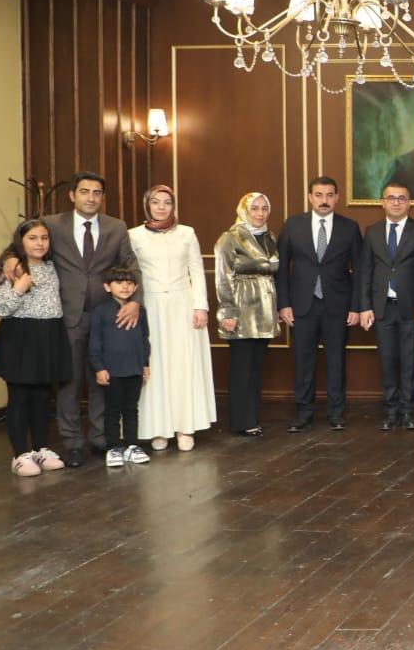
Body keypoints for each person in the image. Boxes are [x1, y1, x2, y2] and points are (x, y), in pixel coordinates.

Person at [42, 172, 141, 468]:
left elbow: (131, 265)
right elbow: (23, 246)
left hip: (107, 318)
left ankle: (100, 438)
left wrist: (135, 301)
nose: (91, 198)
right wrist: (8, 260)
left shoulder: (116, 227)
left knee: (102, 380)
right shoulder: (51, 225)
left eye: (97, 193)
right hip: (67, 315)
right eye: (84, 191)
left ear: (102, 197)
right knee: (69, 383)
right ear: (73, 195)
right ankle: (72, 442)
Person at [127, 184, 216, 452]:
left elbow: (196, 271)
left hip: (183, 306)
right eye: (156, 202)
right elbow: (132, 275)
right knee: (155, 366)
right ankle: (158, 428)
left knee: (183, 365)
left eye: (167, 202)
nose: (162, 207)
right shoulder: (133, 235)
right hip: (150, 305)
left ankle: (185, 426)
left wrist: (201, 307)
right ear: (148, 205)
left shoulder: (187, 233)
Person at [275, 176, 361, 432]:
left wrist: (356, 307)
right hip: (302, 305)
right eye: (319, 195)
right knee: (303, 361)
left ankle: (336, 413)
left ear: (337, 198)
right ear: (310, 197)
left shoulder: (350, 227)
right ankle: (304, 413)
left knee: (337, 361)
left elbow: (360, 270)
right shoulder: (292, 225)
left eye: (329, 195)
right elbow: (282, 268)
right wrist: (283, 304)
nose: (324, 200)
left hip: (338, 306)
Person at [0, 219, 72, 476]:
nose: (40, 243)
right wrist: (18, 289)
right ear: (20, 241)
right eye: (32, 238)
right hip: (20, 338)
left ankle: (41, 449)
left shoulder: (51, 266)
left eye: (44, 238)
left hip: (48, 336)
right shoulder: (13, 268)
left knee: (41, 397)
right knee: (20, 398)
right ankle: (20, 455)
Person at [357, 182, 414, 432]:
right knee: (387, 360)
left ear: (409, 203)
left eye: (401, 198)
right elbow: (365, 272)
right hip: (382, 308)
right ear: (382, 203)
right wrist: (365, 307)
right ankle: (390, 411)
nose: (396, 202)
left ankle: (408, 411)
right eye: (391, 198)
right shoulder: (372, 232)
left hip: (412, 309)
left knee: (410, 362)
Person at [214, 192, 280, 438]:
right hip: (241, 310)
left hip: (264, 312)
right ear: (244, 210)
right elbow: (223, 277)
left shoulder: (270, 237)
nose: (260, 213)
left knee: (255, 367)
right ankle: (242, 421)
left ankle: (252, 417)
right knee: (242, 368)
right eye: (254, 208)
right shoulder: (229, 238)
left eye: (264, 208)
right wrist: (228, 312)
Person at [89, 265, 152, 467]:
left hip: (134, 368)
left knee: (131, 409)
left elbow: (144, 339)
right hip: (112, 370)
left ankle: (132, 446)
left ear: (135, 287)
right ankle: (114, 447)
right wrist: (99, 367)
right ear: (107, 287)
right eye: (119, 282)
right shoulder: (100, 311)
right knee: (113, 410)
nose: (125, 286)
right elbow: (95, 342)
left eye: (130, 283)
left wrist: (145, 364)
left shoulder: (140, 311)